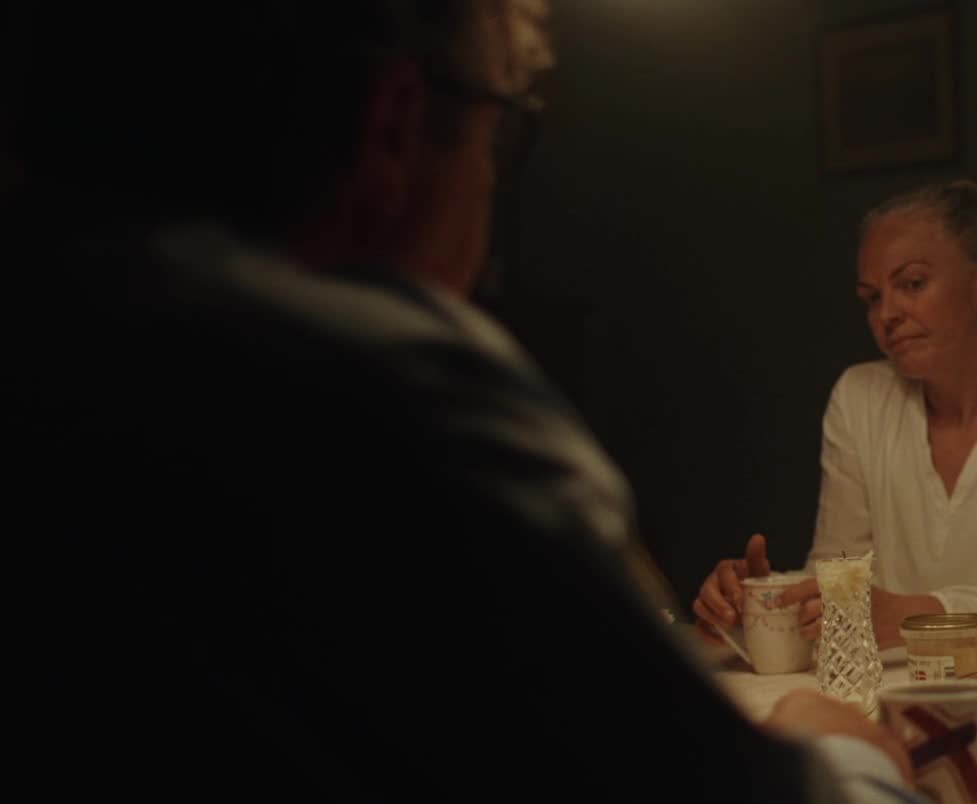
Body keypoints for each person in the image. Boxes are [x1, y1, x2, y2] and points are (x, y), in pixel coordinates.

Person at [15, 2, 919, 800]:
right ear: (397, 128)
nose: (493, 180)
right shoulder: (401, 392)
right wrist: (841, 753)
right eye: (501, 137)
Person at [694, 181, 977, 651]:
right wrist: (764, 600)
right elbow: (838, 572)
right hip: (899, 683)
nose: (887, 315)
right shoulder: (860, 397)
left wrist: (908, 617)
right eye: (872, 297)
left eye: (913, 284)